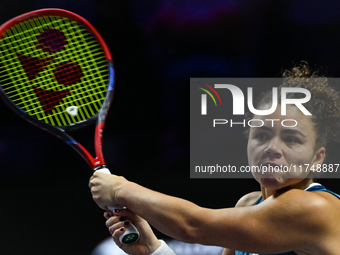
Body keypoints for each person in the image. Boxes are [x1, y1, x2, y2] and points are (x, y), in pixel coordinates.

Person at [89, 62, 340, 255]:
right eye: (262, 135)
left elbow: (192, 224)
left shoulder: (314, 208)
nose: (273, 148)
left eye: (292, 139)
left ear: (318, 158)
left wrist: (122, 189)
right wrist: (152, 249)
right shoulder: (249, 205)